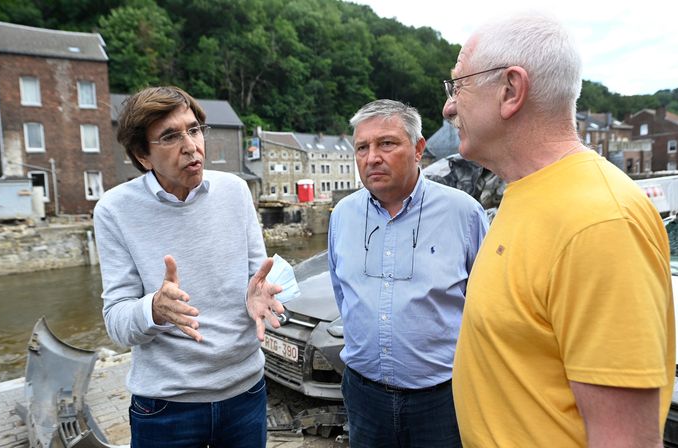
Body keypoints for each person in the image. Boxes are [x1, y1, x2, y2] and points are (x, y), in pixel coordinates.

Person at [442, 12, 675, 447]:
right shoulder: (528, 191)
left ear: (510, 90)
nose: (449, 105)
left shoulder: (600, 223)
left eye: (458, 84)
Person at [93, 86, 284, 448]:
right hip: (166, 407)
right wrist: (154, 309)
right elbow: (117, 322)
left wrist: (260, 295)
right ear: (142, 155)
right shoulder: (114, 211)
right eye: (170, 136)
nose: (190, 145)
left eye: (194, 130)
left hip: (245, 394)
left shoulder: (236, 191)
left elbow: (259, 279)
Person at [328, 99, 488, 447]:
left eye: (387, 143)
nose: (372, 157)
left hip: (442, 400)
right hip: (364, 397)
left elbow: (486, 306)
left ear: (418, 149)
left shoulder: (464, 214)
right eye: (362, 147)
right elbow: (344, 295)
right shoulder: (342, 215)